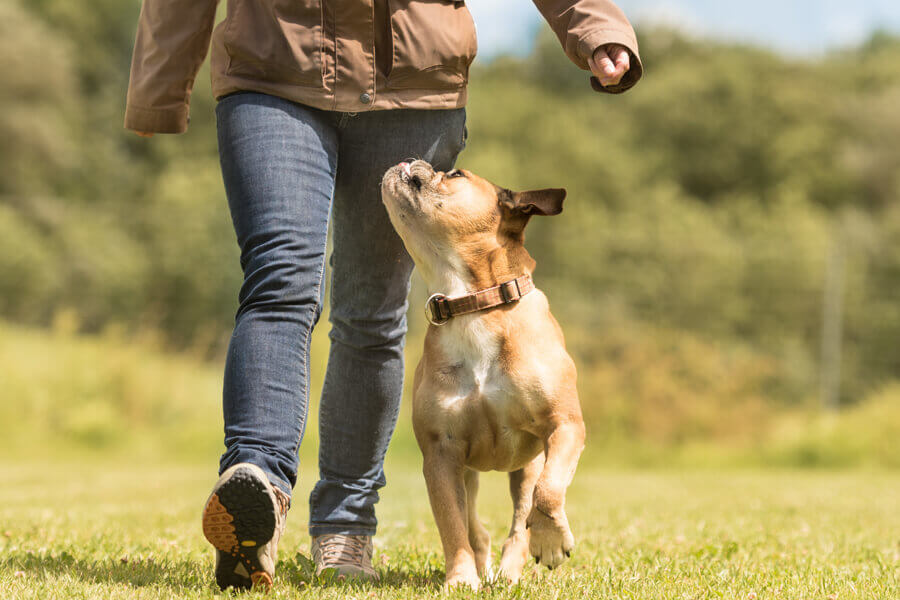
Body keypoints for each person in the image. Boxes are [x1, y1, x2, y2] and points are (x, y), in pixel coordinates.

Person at [124, 0, 642, 590]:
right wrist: (160, 86)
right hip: (274, 64)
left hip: (414, 84)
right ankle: (258, 487)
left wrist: (595, 27)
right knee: (278, 282)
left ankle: (345, 528)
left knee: (372, 313)